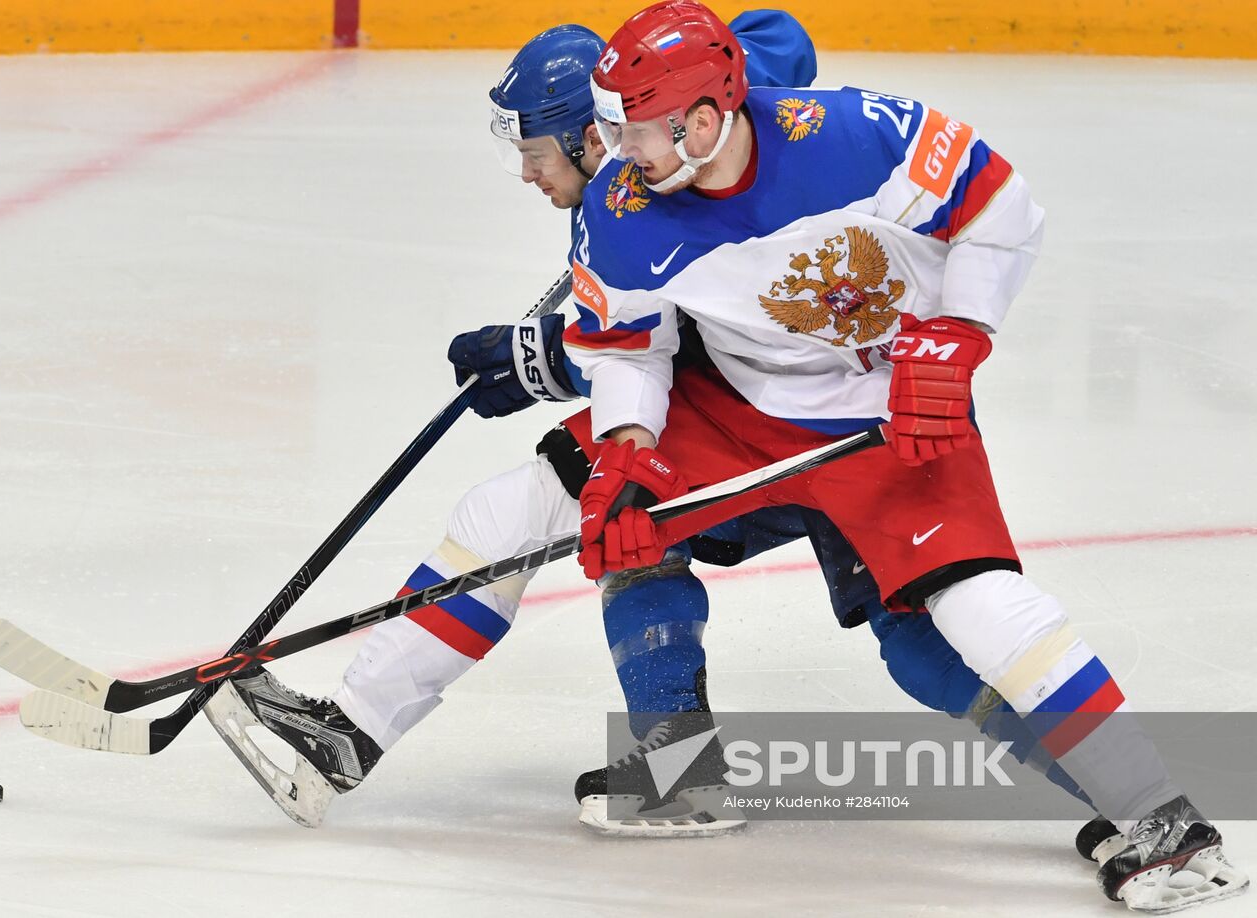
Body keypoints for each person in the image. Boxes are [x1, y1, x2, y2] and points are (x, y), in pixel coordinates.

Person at [205, 11, 1088, 843]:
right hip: (735, 424)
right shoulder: (623, 203)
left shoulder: (731, 144)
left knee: (932, 653)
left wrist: (537, 360)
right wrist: (573, 381)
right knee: (570, 510)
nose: (526, 172)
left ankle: (1138, 793)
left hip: (859, 422)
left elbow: (779, 68)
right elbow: (642, 337)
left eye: (536, 150)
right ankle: (370, 738)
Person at [564, 0, 1247, 909]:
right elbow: (625, 344)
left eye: (634, 126)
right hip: (756, 418)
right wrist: (623, 441)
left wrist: (957, 335)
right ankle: (678, 763)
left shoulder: (855, 134)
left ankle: (1164, 816)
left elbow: (1000, 202)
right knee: (677, 550)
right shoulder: (627, 207)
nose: (616, 149)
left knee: (963, 618)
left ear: (699, 120)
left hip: (894, 414)